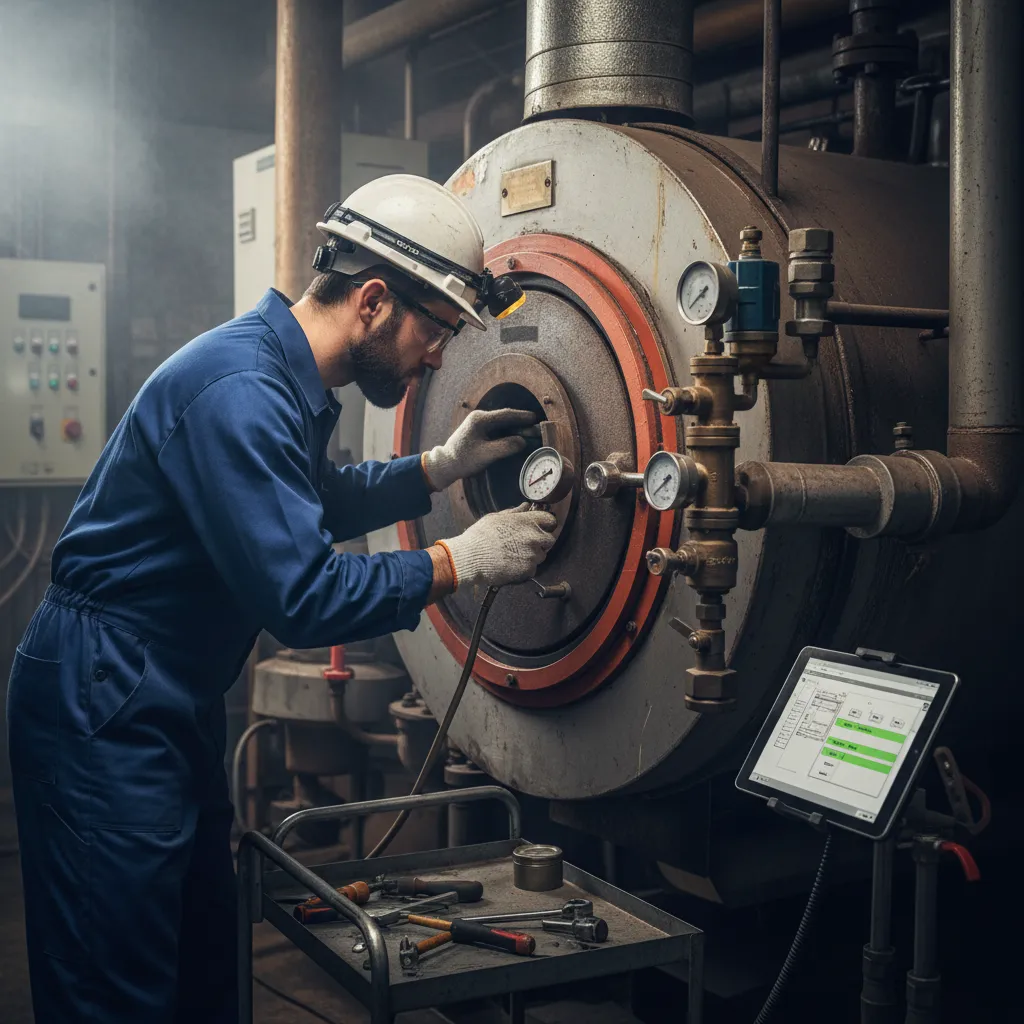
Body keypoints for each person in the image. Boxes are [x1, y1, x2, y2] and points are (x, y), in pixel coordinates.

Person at [6, 174, 556, 1021]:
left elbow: (308, 501)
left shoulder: (278, 373)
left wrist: (437, 467)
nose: (439, 356)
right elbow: (303, 594)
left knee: (198, 954)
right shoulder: (242, 389)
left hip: (158, 684)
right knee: (112, 979)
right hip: (103, 692)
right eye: (438, 329)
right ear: (373, 301)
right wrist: (458, 560)